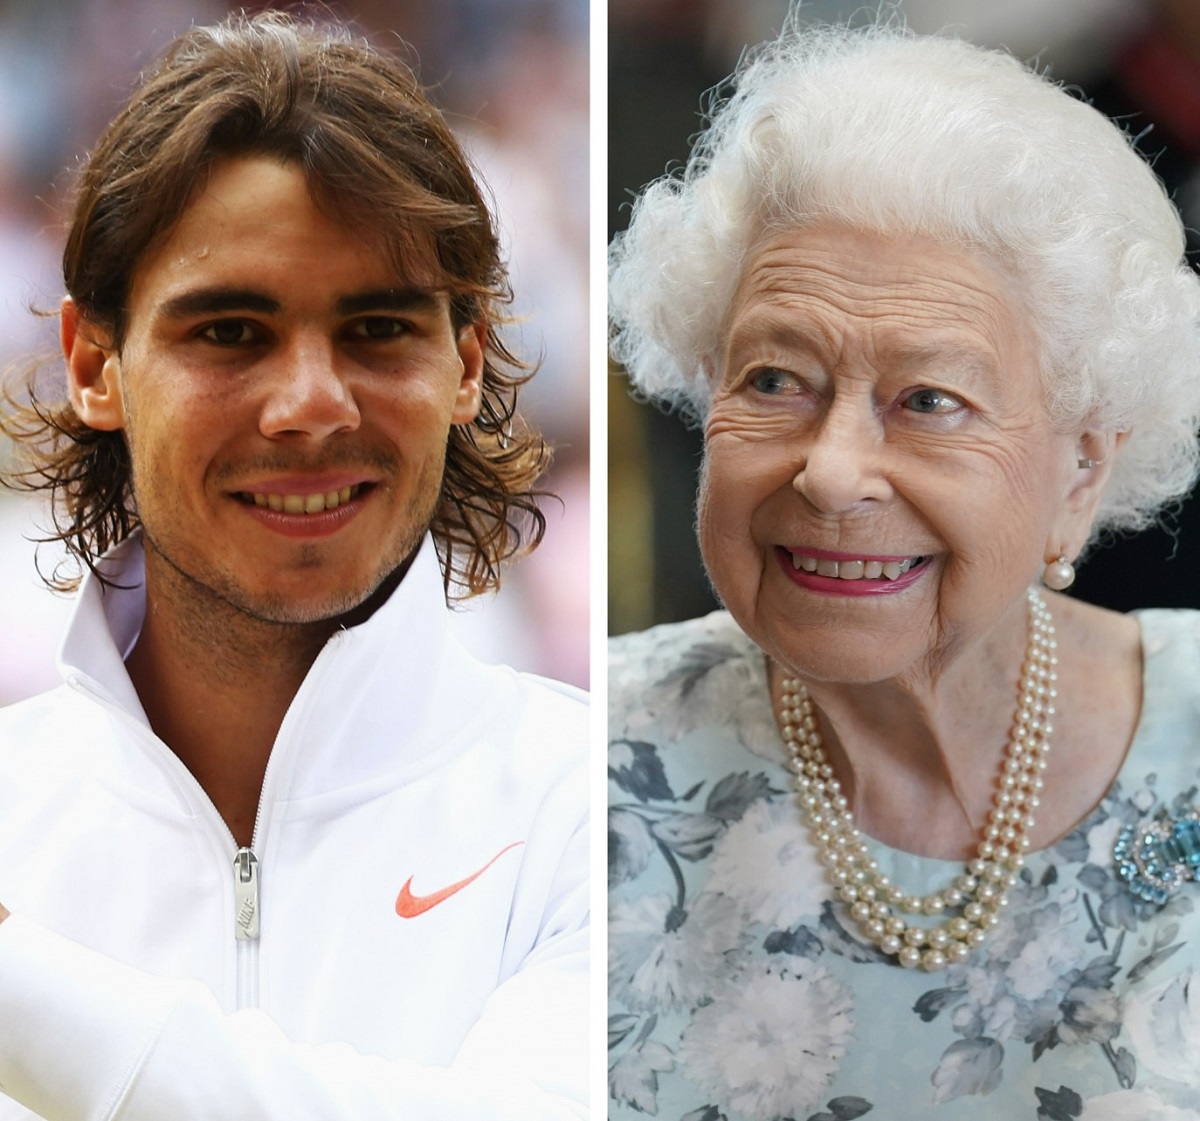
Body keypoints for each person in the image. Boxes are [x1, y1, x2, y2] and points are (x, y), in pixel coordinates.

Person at [608, 14, 1200, 1120]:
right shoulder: (582, 765)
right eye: (776, 380)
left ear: (1082, 465)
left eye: (930, 400)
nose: (832, 473)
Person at [0, 12, 588, 1120]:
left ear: (464, 367)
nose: (311, 403)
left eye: (376, 327)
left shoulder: (598, 805)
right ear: (94, 365)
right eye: (228, 332)